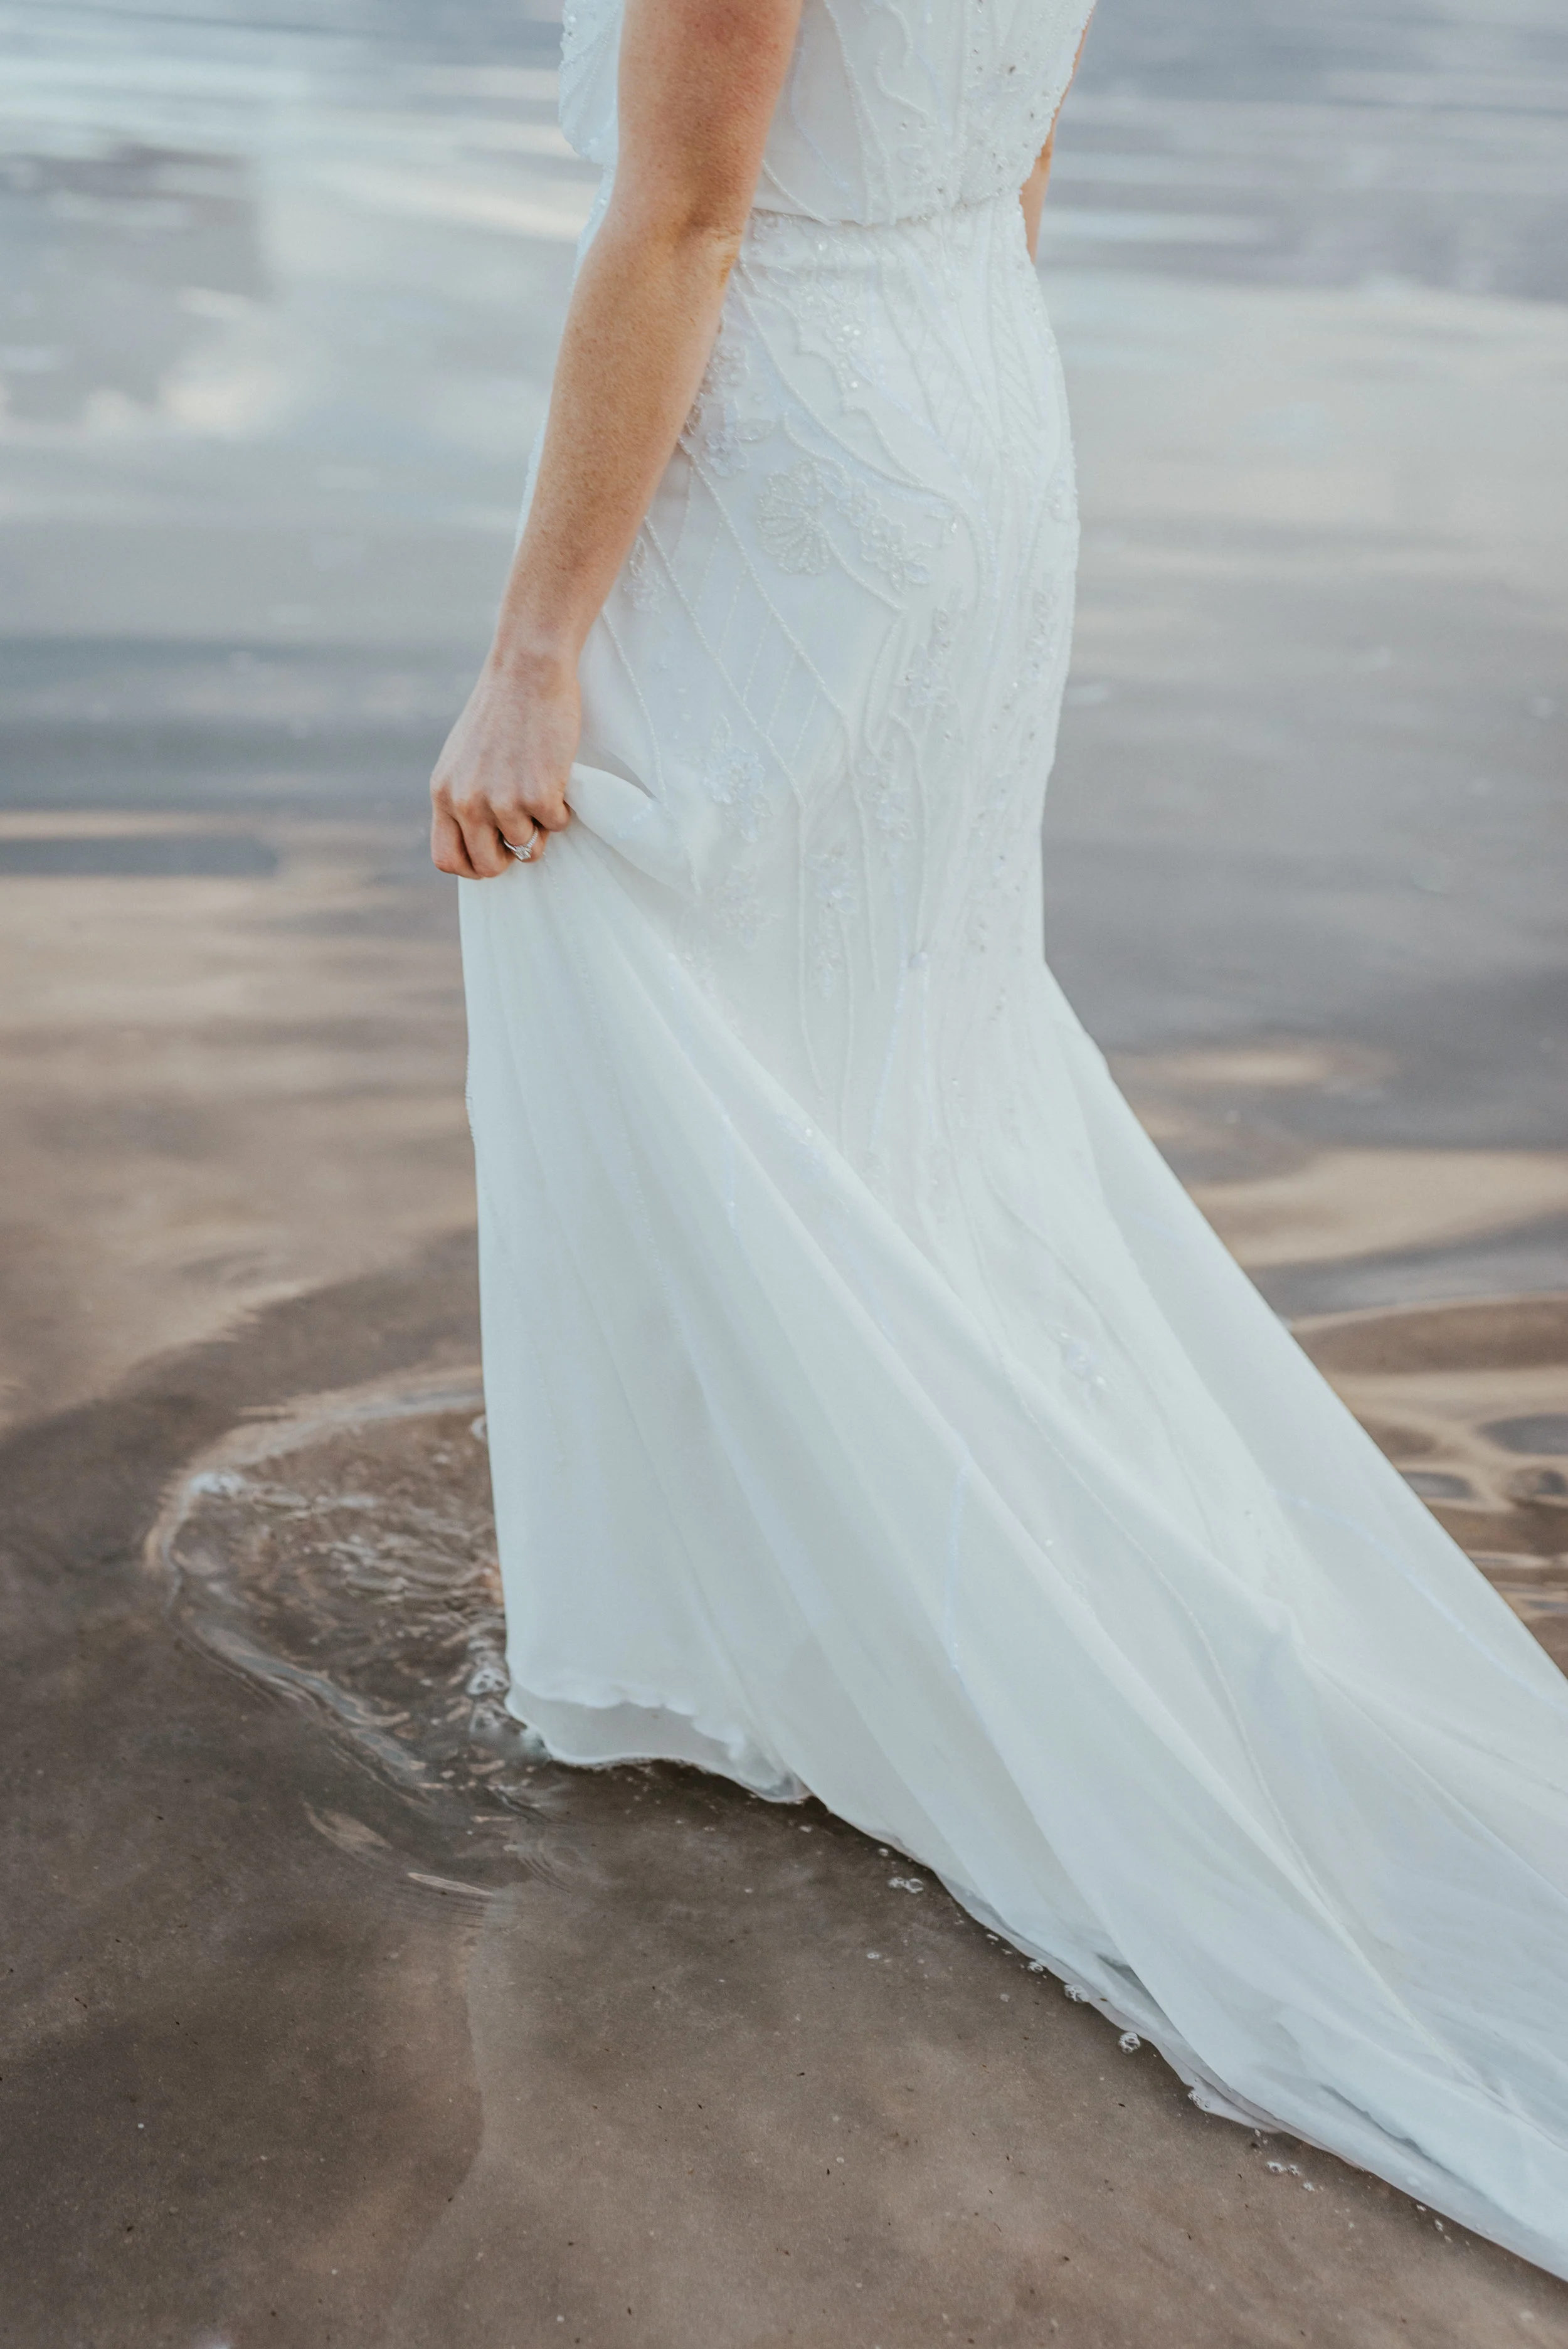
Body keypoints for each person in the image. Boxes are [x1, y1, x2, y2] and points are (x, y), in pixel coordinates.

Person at [430, 0, 1568, 2278]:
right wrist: (950, 408)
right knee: (907, 1066)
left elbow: (684, 213)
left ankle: (823, 1626)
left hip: (788, 454)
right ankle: (850, 1589)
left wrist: (535, 646)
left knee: (672, 996)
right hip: (970, 412)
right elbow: (1018, 141)